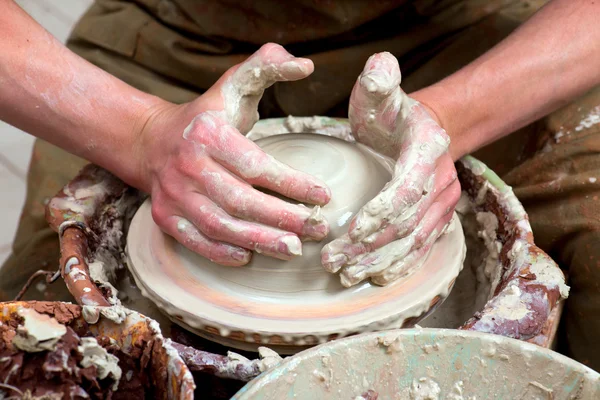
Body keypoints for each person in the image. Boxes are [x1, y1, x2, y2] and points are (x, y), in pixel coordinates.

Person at [1, 0, 599, 370]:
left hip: (469, 36)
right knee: (41, 329)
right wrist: (141, 132)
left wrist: (453, 116)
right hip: (172, 39)